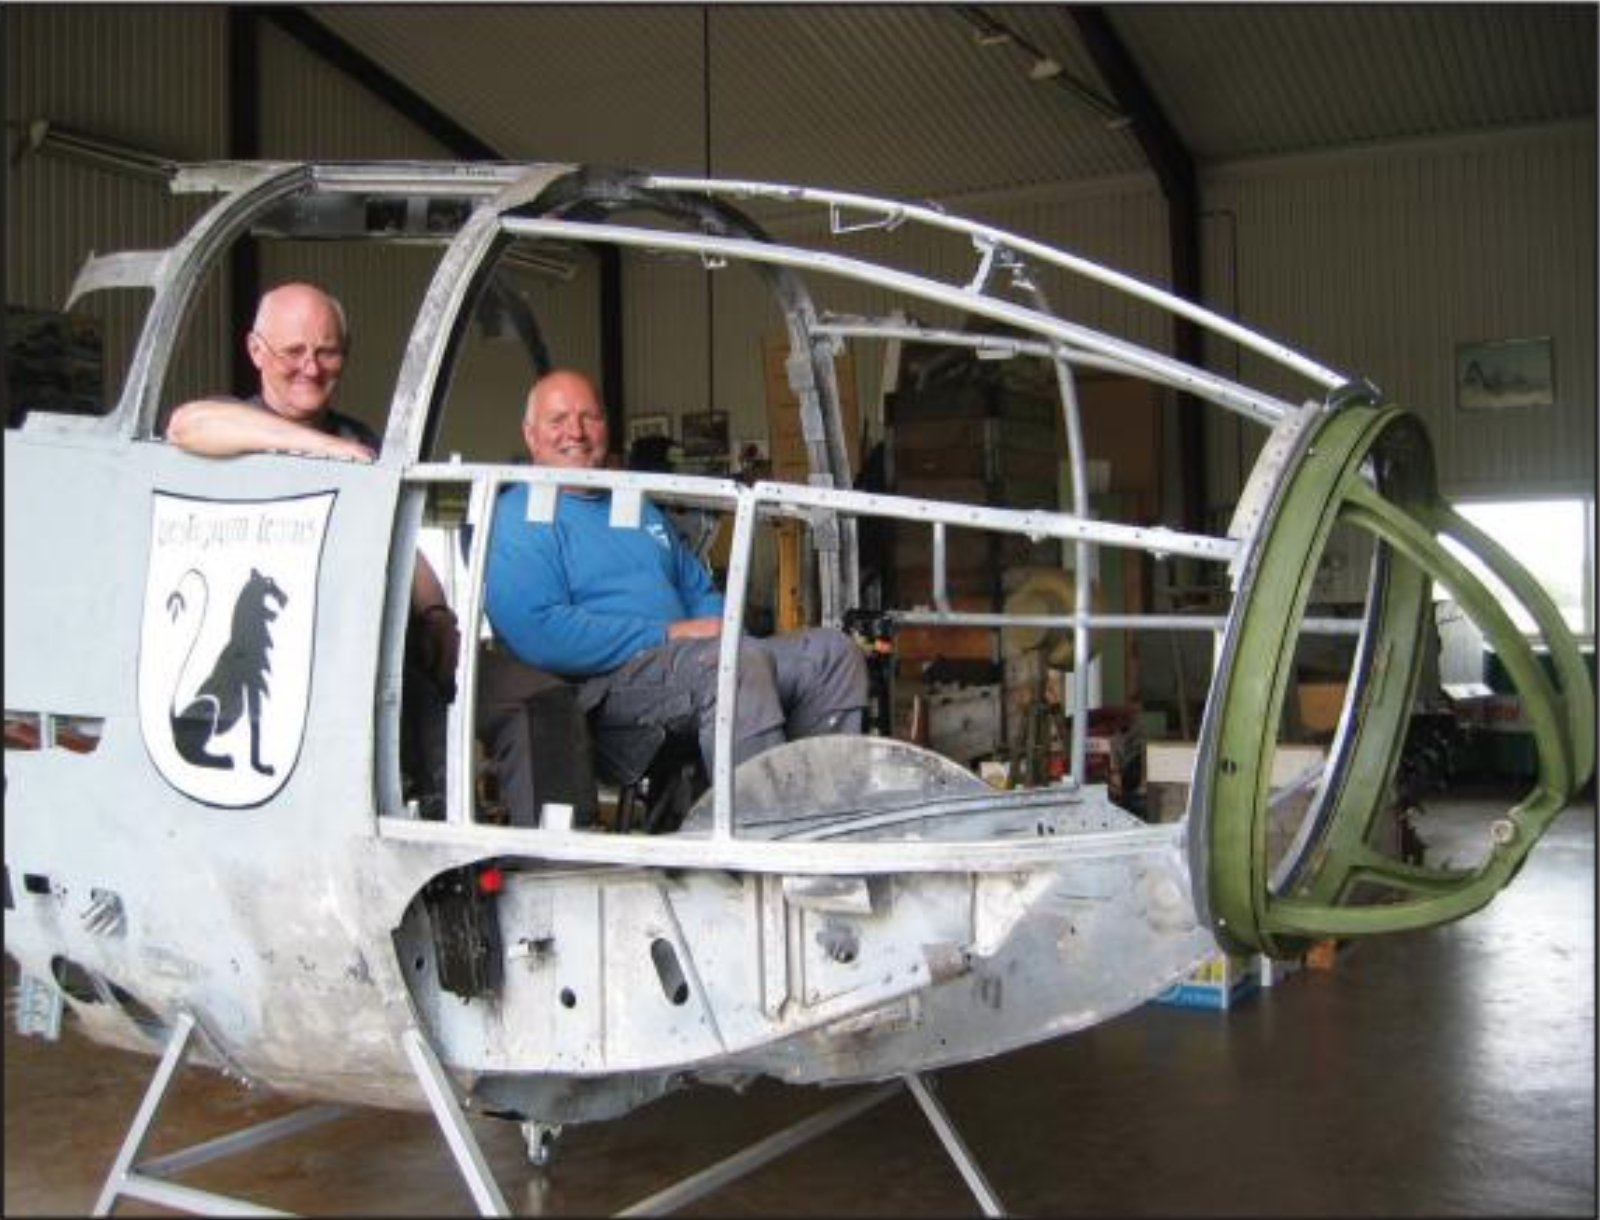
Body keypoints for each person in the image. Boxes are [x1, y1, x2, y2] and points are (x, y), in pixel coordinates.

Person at [483, 368, 868, 794]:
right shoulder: (515, 519)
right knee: (733, 666)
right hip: (605, 689)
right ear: (530, 434)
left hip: (689, 662)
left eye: (589, 417)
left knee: (834, 654)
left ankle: (820, 815)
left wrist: (721, 629)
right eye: (558, 420)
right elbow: (542, 635)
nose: (576, 431)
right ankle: (763, 836)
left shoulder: (636, 508)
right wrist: (670, 634)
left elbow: (698, 591)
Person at [165, 282, 460, 805]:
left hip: (358, 651)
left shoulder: (360, 438)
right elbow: (186, 426)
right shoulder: (233, 424)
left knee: (428, 730)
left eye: (326, 352)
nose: (311, 367)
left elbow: (398, 539)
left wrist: (436, 611)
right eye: (294, 351)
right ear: (256, 350)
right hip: (286, 672)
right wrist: (322, 449)